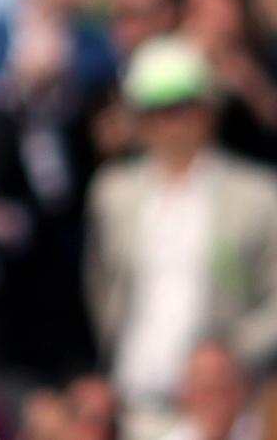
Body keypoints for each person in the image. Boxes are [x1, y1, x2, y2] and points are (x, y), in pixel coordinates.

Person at [84, 36, 277, 440]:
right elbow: (100, 288)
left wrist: (228, 357)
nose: (172, 121)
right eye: (157, 109)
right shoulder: (113, 193)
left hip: (221, 413)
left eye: (183, 105)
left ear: (208, 108)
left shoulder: (257, 196)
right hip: (130, 407)